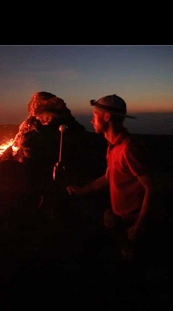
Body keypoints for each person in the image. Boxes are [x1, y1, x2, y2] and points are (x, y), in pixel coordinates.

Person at [66, 94, 158, 263]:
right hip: (120, 220)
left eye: (95, 116)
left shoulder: (128, 149)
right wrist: (83, 190)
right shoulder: (113, 145)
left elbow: (151, 188)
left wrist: (139, 226)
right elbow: (110, 176)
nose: (92, 121)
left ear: (107, 117)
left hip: (133, 223)